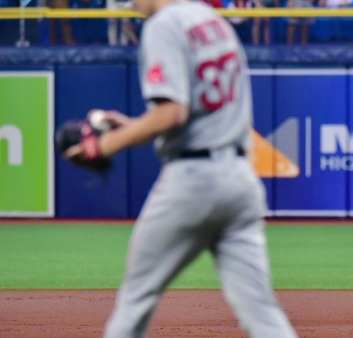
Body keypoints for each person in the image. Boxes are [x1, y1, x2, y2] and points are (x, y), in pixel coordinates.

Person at [64, 0, 298, 337]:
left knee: (134, 301)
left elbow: (171, 113)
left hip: (193, 181)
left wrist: (101, 145)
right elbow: (193, 110)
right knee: (262, 313)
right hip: (240, 181)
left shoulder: (162, 25)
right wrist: (132, 125)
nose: (131, 3)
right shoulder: (214, 21)